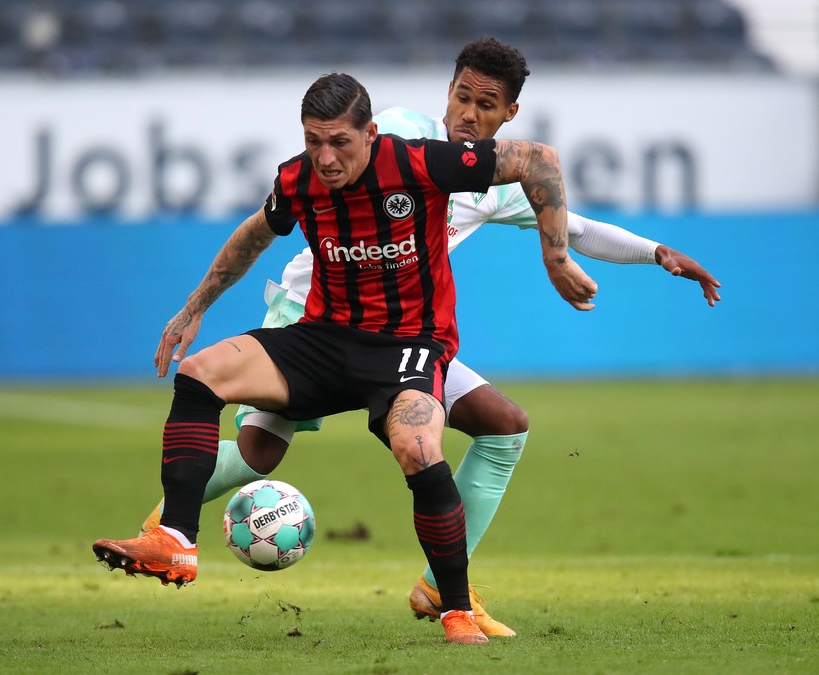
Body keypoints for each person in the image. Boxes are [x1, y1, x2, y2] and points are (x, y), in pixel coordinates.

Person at [136, 38, 722, 638]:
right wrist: (201, 301)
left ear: (508, 115)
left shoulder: (486, 184)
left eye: (486, 105)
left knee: (503, 425)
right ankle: (169, 522)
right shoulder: (396, 135)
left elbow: (568, 221)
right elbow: (312, 177)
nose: (469, 114)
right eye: (462, 97)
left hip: (403, 335)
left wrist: (656, 253)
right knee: (260, 453)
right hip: (311, 315)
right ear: (447, 92)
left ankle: (441, 587)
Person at [93, 71, 597, 645]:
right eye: (314, 141)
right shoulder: (299, 178)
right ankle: (176, 540)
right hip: (323, 340)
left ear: (371, 133)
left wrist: (555, 258)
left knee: (419, 447)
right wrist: (194, 305)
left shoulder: (420, 162)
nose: (326, 158)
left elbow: (539, 160)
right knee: (200, 373)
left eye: (339, 142)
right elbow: (256, 233)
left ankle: (453, 608)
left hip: (407, 346)